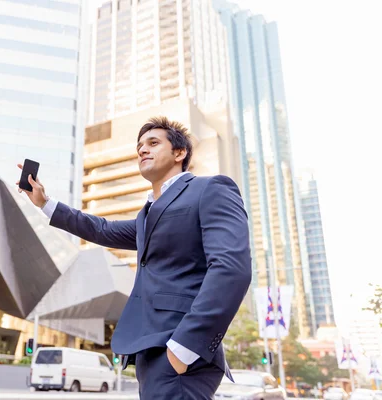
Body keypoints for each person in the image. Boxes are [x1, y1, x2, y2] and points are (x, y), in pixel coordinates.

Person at [17, 116, 252, 399]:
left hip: (180, 351)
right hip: (151, 350)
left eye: (153, 143)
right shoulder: (146, 216)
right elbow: (100, 229)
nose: (142, 150)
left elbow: (231, 269)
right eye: (139, 146)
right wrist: (45, 203)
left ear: (180, 153)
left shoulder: (210, 189)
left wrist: (184, 347)